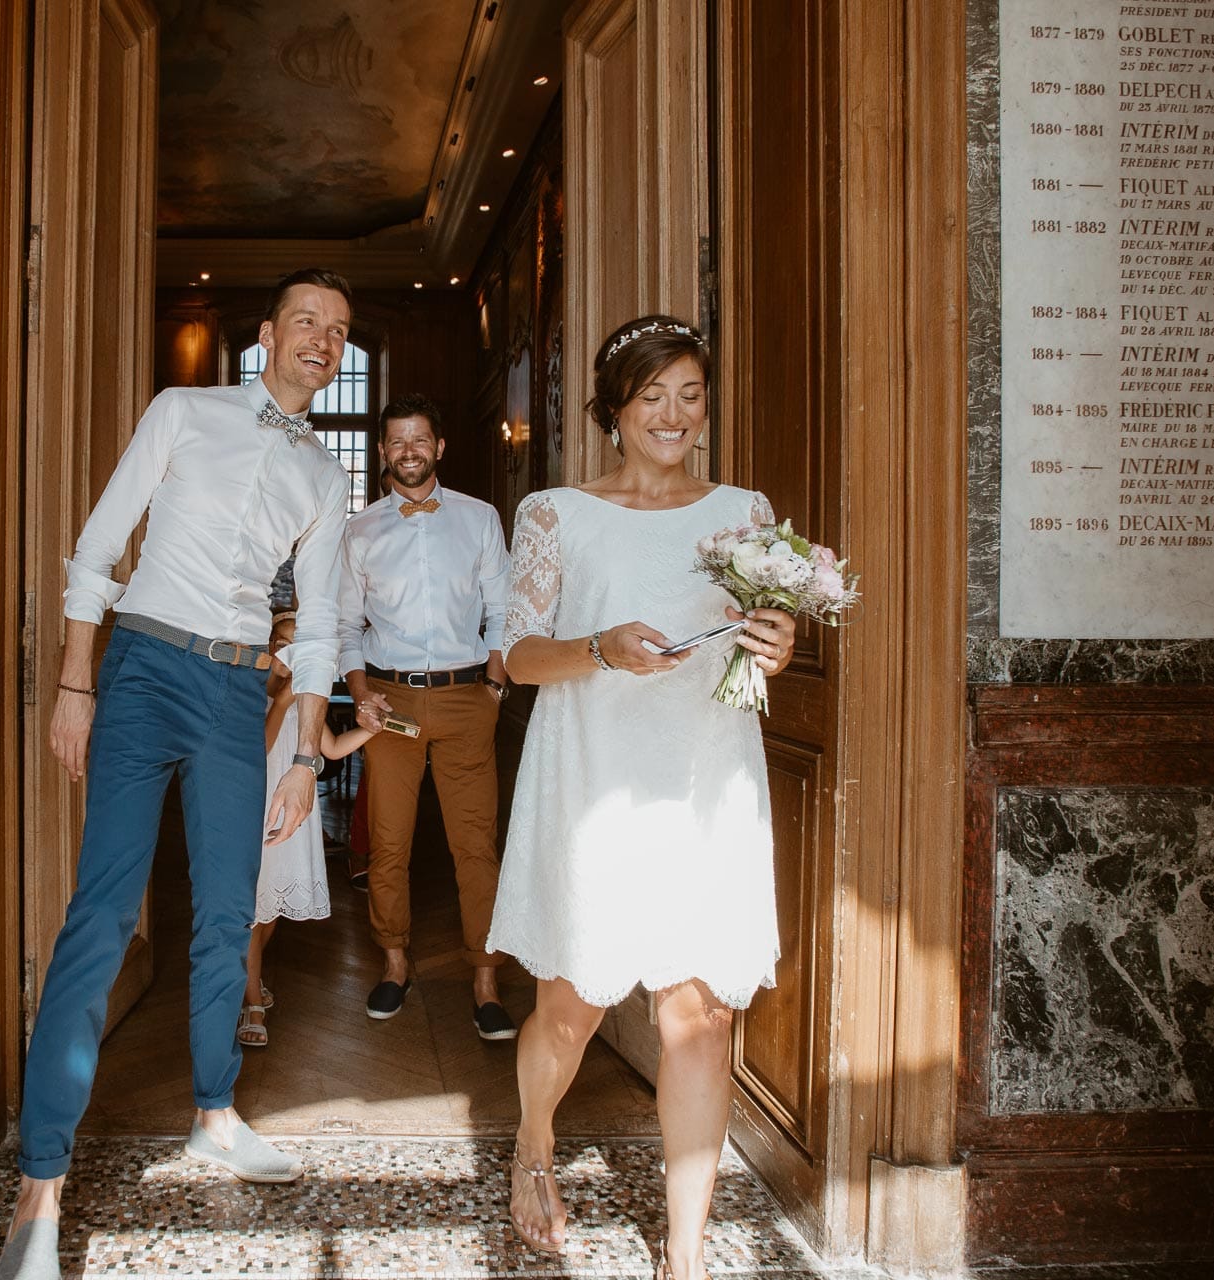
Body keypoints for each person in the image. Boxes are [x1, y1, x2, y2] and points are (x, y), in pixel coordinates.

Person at [0, 270, 355, 1280]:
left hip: (241, 695)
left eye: (337, 331)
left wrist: (302, 756)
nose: (321, 341)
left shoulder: (326, 480)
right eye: (305, 323)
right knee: (102, 911)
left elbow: (318, 626)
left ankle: (212, 1111)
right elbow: (100, 545)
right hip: (143, 667)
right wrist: (76, 684)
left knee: (224, 909)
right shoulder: (182, 411)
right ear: (267, 333)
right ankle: (41, 1180)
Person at [486, 316, 799, 1280]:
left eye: (690, 395)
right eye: (651, 396)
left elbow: (764, 632)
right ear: (613, 412)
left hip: (706, 781)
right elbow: (511, 658)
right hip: (595, 784)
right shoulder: (556, 513)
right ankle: (534, 1140)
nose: (673, 415)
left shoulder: (745, 512)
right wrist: (597, 648)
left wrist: (778, 643)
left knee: (696, 1018)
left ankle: (689, 1253)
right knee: (571, 1008)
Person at [337, 394, 517, 1038]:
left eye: (420, 440)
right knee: (389, 844)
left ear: (439, 448)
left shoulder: (479, 519)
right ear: (382, 450)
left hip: (469, 698)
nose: (408, 452)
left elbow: (504, 613)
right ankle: (393, 963)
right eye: (397, 442)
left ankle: (486, 977)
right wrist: (361, 695)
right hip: (390, 703)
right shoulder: (359, 532)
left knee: (477, 847)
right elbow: (345, 627)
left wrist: (493, 689)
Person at [238, 610, 378, 1047]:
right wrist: (281, 699)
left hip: (292, 815)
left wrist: (371, 730)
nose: (287, 654)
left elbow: (333, 748)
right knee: (251, 915)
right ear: (268, 647)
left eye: (296, 647)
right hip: (255, 808)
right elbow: (258, 748)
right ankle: (252, 1003)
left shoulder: (307, 701)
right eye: (281, 644)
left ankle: (252, 985)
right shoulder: (250, 692)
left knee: (272, 908)